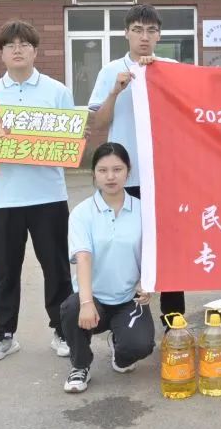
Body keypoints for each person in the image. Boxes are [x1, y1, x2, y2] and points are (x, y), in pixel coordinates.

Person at [0, 20, 76, 364]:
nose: (17, 50)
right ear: (1, 53)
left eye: (24, 44)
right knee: (4, 269)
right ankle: (4, 334)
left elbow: (71, 140)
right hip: (4, 198)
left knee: (57, 268)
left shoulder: (57, 91)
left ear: (35, 50)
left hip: (49, 196)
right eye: (10, 45)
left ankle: (63, 329)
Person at [87, 3, 183, 324]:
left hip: (165, 176)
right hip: (125, 177)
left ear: (159, 36)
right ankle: (131, 320)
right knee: (128, 247)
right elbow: (99, 124)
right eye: (138, 30)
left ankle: (173, 321)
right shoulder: (110, 71)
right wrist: (116, 91)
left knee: (169, 250)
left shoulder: (171, 69)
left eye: (151, 31)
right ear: (126, 33)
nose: (144, 37)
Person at [60, 143, 157, 393]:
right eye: (103, 170)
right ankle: (80, 365)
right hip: (94, 299)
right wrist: (86, 302)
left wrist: (147, 282)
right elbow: (83, 257)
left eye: (117, 169)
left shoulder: (143, 210)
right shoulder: (82, 213)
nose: (110, 176)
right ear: (94, 173)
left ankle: (120, 349)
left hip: (129, 298)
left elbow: (152, 253)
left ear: (128, 171)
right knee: (71, 309)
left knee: (140, 346)